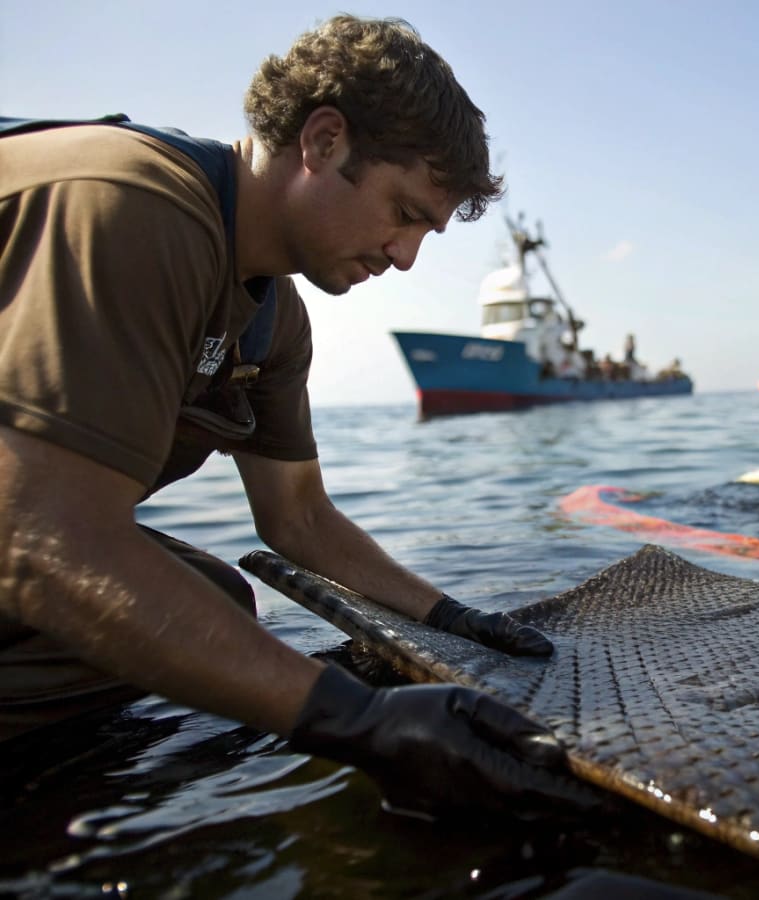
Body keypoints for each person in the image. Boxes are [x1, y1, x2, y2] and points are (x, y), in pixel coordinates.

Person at [0, 15, 598, 820]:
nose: (406, 256)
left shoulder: (274, 319)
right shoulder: (134, 208)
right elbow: (42, 539)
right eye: (404, 211)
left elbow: (299, 517)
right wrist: (359, 721)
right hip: (26, 530)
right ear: (322, 141)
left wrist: (454, 618)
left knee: (211, 597)